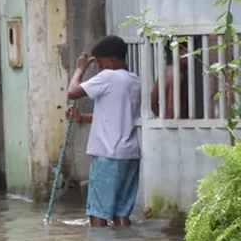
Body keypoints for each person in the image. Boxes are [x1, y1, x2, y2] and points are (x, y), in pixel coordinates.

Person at [66, 35, 142, 227]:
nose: (98, 68)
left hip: (107, 154)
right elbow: (118, 115)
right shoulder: (134, 81)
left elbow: (72, 92)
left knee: (98, 213)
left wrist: (80, 69)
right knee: (121, 214)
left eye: (99, 63)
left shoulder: (108, 77)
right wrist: (82, 118)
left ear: (112, 60)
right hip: (130, 154)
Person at [151, 41, 191, 120]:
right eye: (187, 51)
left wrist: (163, 117)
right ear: (179, 52)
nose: (192, 55)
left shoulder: (165, 72)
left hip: (166, 124)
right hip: (178, 126)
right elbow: (172, 107)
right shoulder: (178, 76)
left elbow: (153, 102)